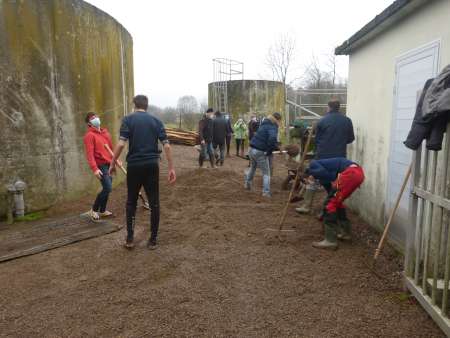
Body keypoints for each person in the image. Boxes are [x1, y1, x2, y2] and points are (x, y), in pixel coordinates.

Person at [109, 95, 176, 250]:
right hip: (152, 165)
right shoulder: (157, 121)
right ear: (146, 106)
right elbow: (166, 146)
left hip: (134, 165)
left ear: (134, 105)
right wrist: (171, 168)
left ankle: (130, 238)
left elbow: (120, 144)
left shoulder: (128, 120)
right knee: (155, 203)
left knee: (131, 202)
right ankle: (153, 240)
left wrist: (112, 163)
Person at [296, 100, 355, 214]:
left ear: (328, 107)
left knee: (313, 178)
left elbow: (317, 140)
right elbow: (350, 139)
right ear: (339, 108)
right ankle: (331, 207)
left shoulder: (322, 121)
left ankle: (308, 206)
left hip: (322, 156)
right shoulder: (347, 121)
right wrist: (339, 142)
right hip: (339, 158)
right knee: (335, 182)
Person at [302, 158, 364, 250]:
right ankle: (345, 233)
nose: (309, 182)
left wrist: (312, 174)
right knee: (336, 202)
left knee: (329, 204)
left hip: (350, 174)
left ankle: (330, 241)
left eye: (307, 179)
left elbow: (323, 173)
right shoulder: (322, 166)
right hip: (357, 173)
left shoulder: (313, 164)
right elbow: (330, 178)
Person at [83, 112, 114, 222]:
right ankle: (94, 209)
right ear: (89, 123)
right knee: (108, 187)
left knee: (108, 188)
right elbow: (90, 154)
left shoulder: (106, 134)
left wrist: (115, 161)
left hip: (109, 164)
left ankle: (102, 210)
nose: (96, 118)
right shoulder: (89, 136)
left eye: (96, 116)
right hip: (100, 165)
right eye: (92, 118)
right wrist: (95, 169)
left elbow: (111, 150)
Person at [244, 112, 281, 197]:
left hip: (251, 149)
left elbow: (265, 138)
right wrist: (268, 151)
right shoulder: (273, 126)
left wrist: (276, 148)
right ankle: (266, 192)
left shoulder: (264, 124)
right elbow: (272, 139)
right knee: (266, 173)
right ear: (277, 120)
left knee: (253, 167)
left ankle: (247, 185)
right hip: (260, 151)